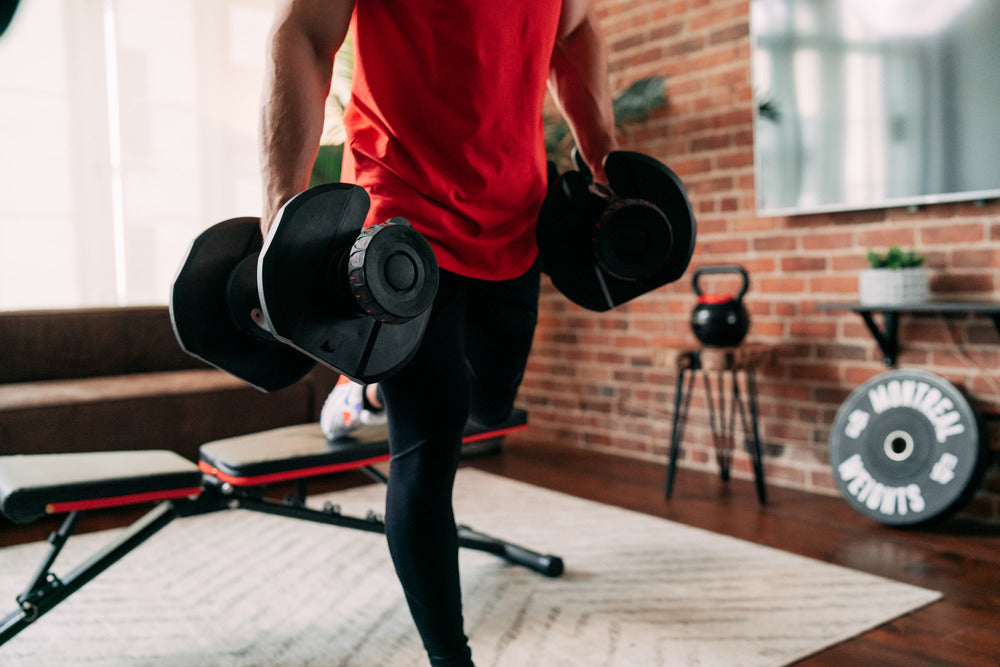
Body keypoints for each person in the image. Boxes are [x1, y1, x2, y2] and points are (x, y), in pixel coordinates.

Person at [259, 1, 618, 664]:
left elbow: (575, 31)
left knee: (490, 402)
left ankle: (362, 387)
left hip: (515, 218)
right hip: (400, 222)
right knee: (433, 435)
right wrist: (283, 212)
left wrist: (604, 160)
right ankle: (450, 656)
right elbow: (304, 35)